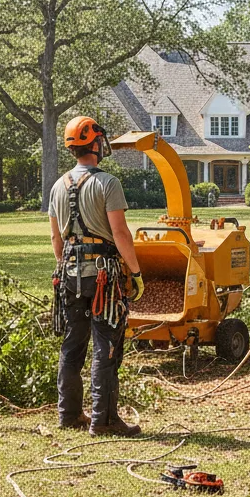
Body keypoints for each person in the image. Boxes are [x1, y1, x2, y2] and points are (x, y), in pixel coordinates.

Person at [49, 116, 144, 437]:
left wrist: (65, 269)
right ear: (94, 144)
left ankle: (69, 415)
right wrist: (135, 272)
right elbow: (120, 233)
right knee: (106, 344)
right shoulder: (108, 183)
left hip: (69, 274)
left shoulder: (57, 186)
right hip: (104, 276)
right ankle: (103, 421)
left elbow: (55, 240)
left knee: (73, 344)